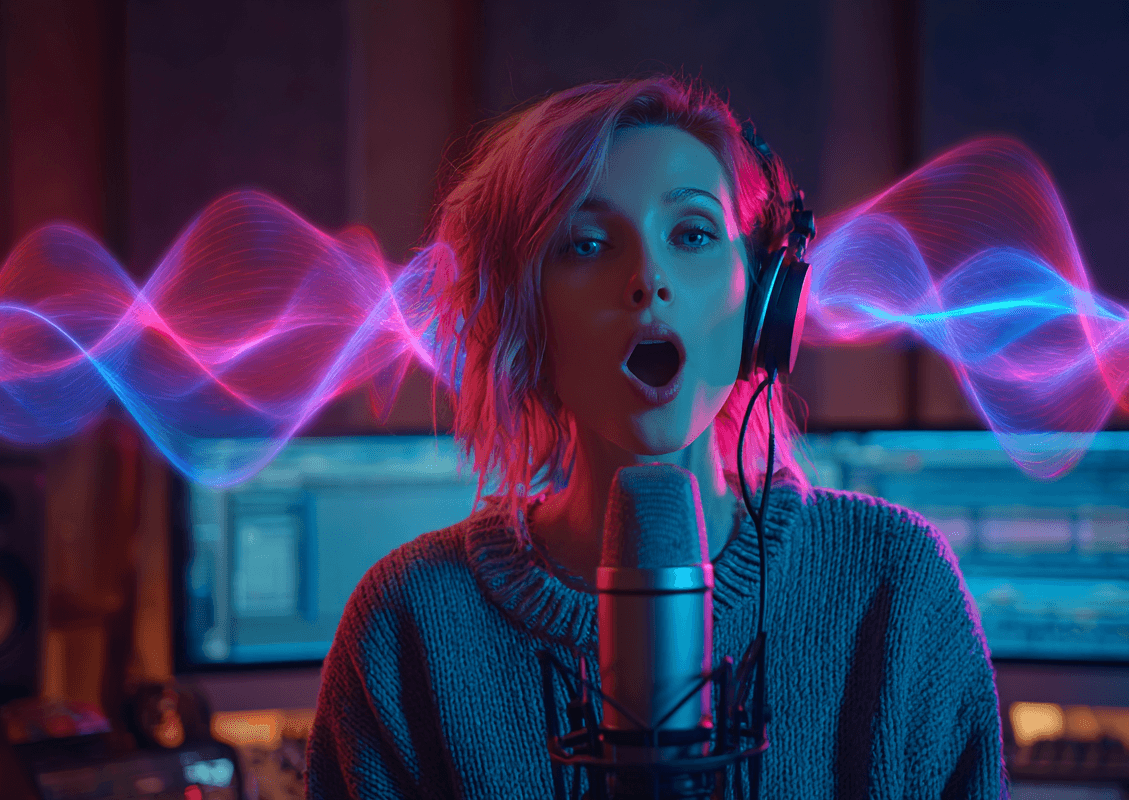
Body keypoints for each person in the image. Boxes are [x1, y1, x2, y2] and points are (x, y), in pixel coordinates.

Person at [305, 75, 1005, 799]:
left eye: (693, 234)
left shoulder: (895, 588)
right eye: (587, 244)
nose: (647, 279)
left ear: (765, 299)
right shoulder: (406, 622)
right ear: (524, 317)